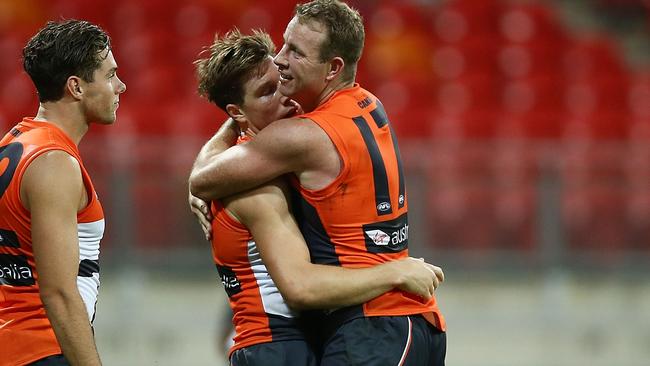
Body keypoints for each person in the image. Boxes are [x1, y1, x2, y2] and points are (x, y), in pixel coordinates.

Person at [189, 1, 446, 365]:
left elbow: (202, 178)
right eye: (284, 45)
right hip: (406, 322)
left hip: (371, 327)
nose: (280, 62)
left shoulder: (299, 137)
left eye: (295, 52)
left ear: (333, 68)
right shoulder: (368, 104)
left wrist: (396, 272)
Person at [0, 20, 126, 366]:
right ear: (77, 87)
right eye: (110, 75)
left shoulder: (14, 143)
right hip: (41, 349)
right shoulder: (54, 163)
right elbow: (58, 292)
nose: (121, 86)